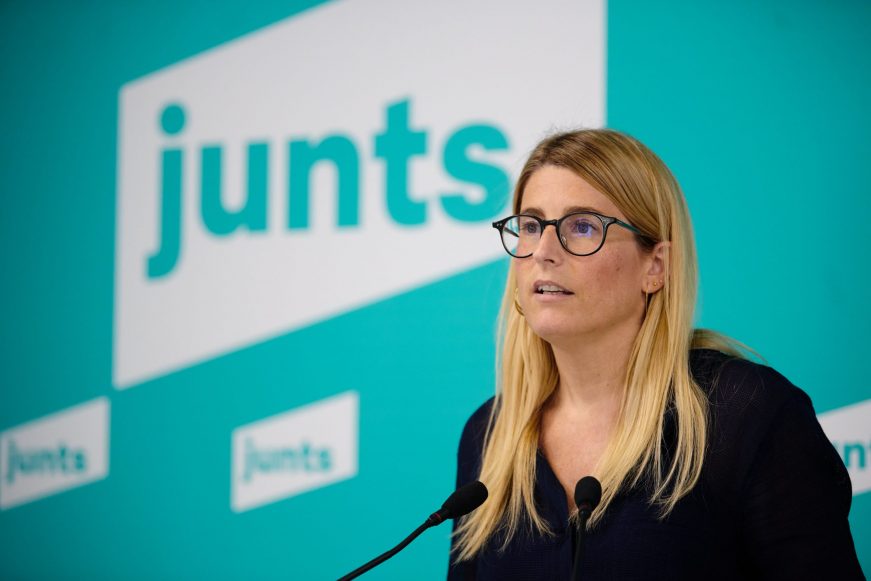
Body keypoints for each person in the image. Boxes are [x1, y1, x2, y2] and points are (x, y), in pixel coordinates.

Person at [447, 129, 864, 580]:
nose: (544, 253)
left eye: (582, 226)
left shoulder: (746, 414)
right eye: (531, 226)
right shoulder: (488, 436)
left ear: (655, 267)